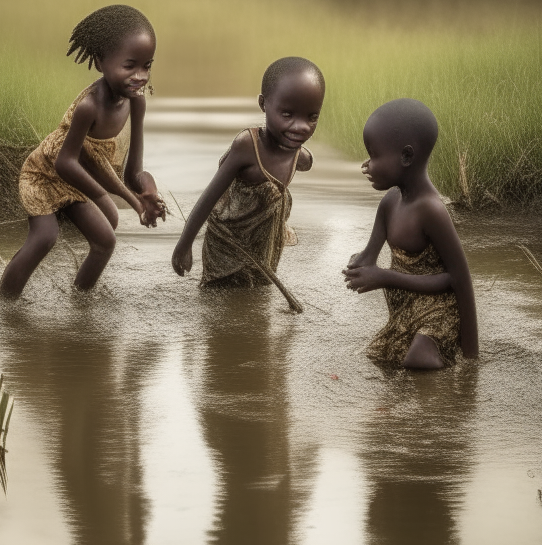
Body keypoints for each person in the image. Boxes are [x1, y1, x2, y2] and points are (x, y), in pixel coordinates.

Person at [0, 4, 166, 296]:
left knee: (106, 236)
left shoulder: (136, 102)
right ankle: (5, 303)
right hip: (45, 175)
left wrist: (148, 191)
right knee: (45, 238)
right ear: (101, 62)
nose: (140, 76)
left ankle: (80, 300)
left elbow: (134, 172)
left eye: (147, 65)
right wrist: (112, 196)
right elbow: (64, 163)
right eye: (130, 66)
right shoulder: (90, 106)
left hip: (79, 176)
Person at [343, 98, 478, 369]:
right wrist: (358, 266)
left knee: (418, 360)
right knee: (378, 359)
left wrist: (471, 356)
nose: (365, 166)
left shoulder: (431, 211)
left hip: (438, 313)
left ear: (406, 156)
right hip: (405, 313)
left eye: (374, 155)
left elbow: (458, 279)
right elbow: (369, 256)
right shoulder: (390, 202)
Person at [171, 57, 324, 287]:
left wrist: (306, 159)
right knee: (219, 299)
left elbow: (306, 161)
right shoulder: (247, 147)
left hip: (263, 245)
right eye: (287, 114)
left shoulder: (295, 150)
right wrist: (184, 245)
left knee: (257, 301)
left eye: (311, 117)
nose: (301, 127)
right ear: (264, 104)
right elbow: (208, 199)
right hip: (227, 244)